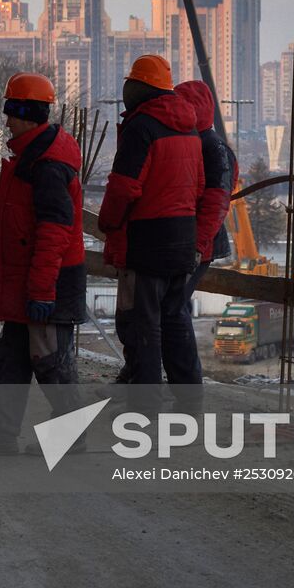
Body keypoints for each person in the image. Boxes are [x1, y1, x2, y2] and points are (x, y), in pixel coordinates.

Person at [0, 73, 86, 456]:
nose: (7, 120)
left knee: (50, 363)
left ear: (29, 114)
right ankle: (3, 435)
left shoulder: (46, 165)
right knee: (11, 360)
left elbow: (55, 232)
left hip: (48, 282)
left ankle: (72, 437)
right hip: (27, 279)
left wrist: (43, 290)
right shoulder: (32, 156)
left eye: (12, 112)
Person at [99, 55, 204, 387]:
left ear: (137, 88)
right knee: (175, 321)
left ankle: (146, 407)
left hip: (148, 242)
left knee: (146, 327)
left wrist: (108, 222)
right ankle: (189, 399)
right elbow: (199, 186)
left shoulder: (140, 128)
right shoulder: (190, 129)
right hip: (183, 240)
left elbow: (124, 187)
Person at [170, 80, 237, 385]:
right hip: (187, 242)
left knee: (172, 312)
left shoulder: (213, 148)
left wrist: (198, 245)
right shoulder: (194, 142)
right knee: (172, 309)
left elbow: (215, 203)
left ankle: (185, 384)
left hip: (198, 245)